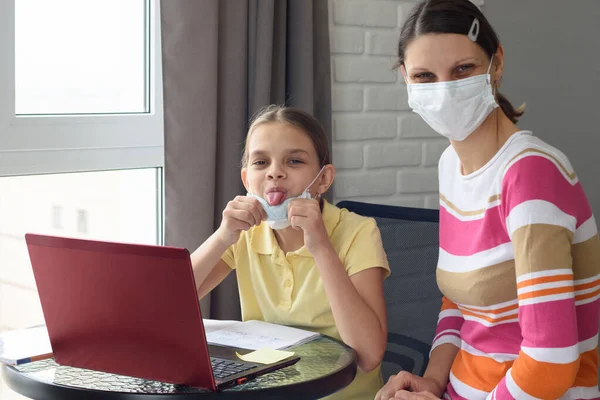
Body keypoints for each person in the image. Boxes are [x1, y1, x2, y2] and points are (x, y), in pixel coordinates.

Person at [376, 1, 600, 399]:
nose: (444, 90)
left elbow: (551, 360)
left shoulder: (531, 172)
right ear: (406, 80)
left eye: (462, 70)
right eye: (424, 76)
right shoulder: (451, 165)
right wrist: (432, 381)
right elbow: (459, 301)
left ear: (496, 64)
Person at [190, 105, 390, 399]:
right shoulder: (245, 234)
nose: (275, 173)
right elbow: (171, 305)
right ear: (247, 180)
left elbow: (370, 355)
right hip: (268, 391)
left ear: (322, 180)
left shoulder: (358, 232)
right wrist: (222, 237)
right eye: (261, 162)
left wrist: (321, 246)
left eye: (294, 161)